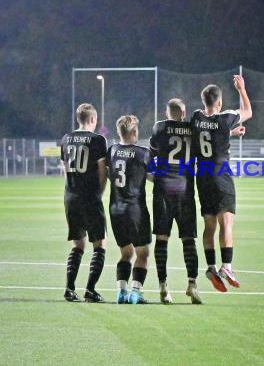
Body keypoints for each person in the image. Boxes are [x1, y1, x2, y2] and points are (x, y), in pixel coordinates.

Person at [190, 75, 252, 292]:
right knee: (226, 223)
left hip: (202, 175)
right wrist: (242, 89)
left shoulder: (196, 117)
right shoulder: (225, 118)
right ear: (219, 103)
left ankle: (211, 266)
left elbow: (206, 133)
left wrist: (230, 133)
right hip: (221, 174)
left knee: (209, 225)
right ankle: (227, 266)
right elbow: (248, 112)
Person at [150, 98, 201, 304]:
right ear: (184, 111)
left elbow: (151, 156)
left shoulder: (159, 128)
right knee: (188, 240)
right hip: (185, 191)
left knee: (162, 239)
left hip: (163, 190)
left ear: (166, 112)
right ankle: (192, 285)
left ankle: (163, 286)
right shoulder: (192, 129)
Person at [60, 103, 108, 303]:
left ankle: (69, 289)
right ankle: (90, 289)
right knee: (100, 244)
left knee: (78, 244)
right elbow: (102, 172)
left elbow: (64, 169)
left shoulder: (66, 139)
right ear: (93, 120)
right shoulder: (98, 140)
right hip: (90, 197)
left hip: (71, 197)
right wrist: (100, 193)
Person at [107, 115, 152, 304]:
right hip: (136, 210)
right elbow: (154, 177)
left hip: (115, 209)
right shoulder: (143, 152)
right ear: (134, 132)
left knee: (125, 253)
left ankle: (121, 292)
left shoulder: (112, 150)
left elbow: (109, 175)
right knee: (143, 254)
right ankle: (135, 293)